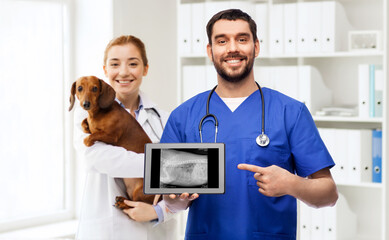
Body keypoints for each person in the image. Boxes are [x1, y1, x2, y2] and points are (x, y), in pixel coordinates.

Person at [161, 9, 338, 240]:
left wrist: (292, 183)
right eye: (222, 41)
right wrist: (178, 200)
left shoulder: (290, 112)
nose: (232, 48)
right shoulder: (183, 116)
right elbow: (171, 202)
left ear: (256, 47)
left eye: (242, 39)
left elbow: (329, 193)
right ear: (210, 50)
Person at [73, 35, 178, 240]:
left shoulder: (165, 120)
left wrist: (159, 211)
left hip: (154, 231)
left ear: (145, 69)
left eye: (133, 63)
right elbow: (106, 160)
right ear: (105, 71)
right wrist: (166, 162)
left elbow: (182, 185)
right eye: (115, 64)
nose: (123, 72)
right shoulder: (85, 116)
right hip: (106, 231)